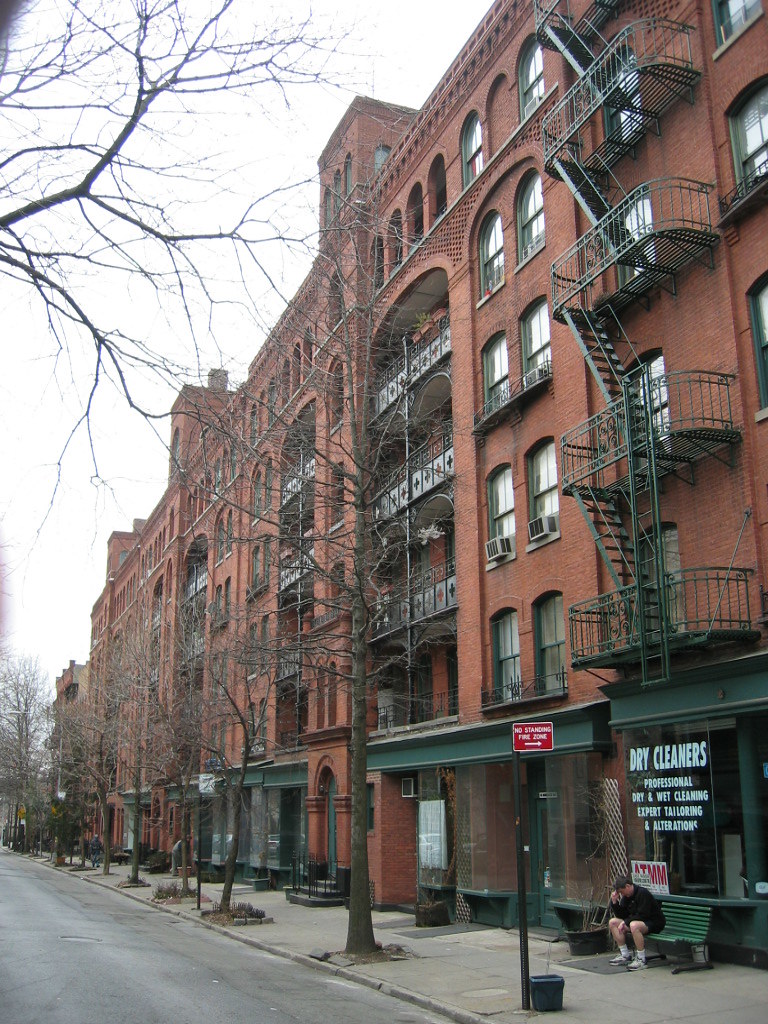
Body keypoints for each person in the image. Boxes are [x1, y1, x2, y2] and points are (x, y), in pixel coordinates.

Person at [608, 874, 666, 970]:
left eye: (622, 892)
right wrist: (614, 903)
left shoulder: (643, 893)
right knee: (613, 922)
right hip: (638, 922)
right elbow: (622, 915)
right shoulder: (627, 897)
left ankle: (641, 959)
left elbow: (644, 915)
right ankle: (625, 954)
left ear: (627, 886)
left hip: (654, 923)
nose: (623, 895)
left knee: (633, 925)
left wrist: (626, 922)